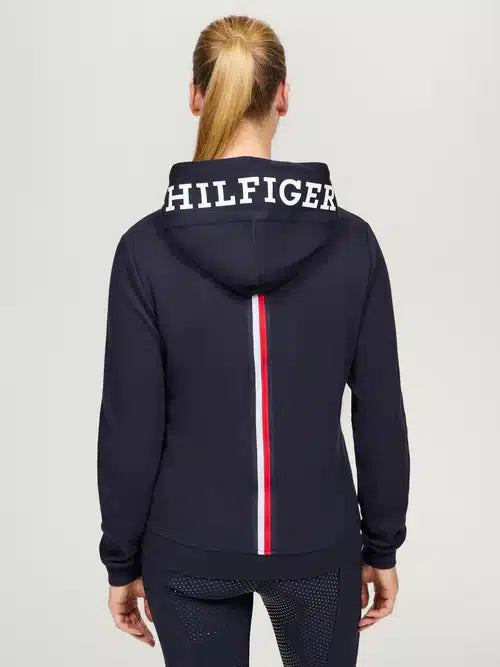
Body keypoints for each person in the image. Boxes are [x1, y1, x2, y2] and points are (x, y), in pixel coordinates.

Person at [97, 14, 410, 667]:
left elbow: (130, 423)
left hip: (186, 549)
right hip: (319, 545)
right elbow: (379, 408)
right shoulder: (352, 243)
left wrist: (121, 558)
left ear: (196, 96)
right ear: (283, 96)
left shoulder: (144, 249)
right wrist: (381, 543)